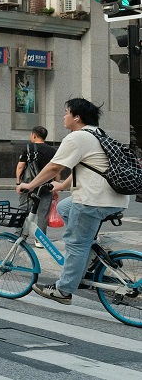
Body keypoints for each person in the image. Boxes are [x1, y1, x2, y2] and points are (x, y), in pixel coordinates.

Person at [19, 98, 130, 305]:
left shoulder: (77, 137)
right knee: (63, 206)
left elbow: (54, 168)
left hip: (93, 200)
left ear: (76, 117)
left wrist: (30, 185)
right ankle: (92, 256)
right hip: (115, 198)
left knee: (76, 243)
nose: (64, 116)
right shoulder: (98, 134)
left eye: (66, 112)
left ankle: (63, 290)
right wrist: (61, 186)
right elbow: (86, 166)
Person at [16, 125, 60, 246]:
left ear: (34, 135)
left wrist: (18, 183)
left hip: (29, 183)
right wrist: (56, 187)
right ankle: (40, 240)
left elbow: (20, 166)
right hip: (47, 185)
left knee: (24, 209)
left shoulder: (28, 147)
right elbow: (56, 170)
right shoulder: (53, 150)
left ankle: (20, 236)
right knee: (43, 213)